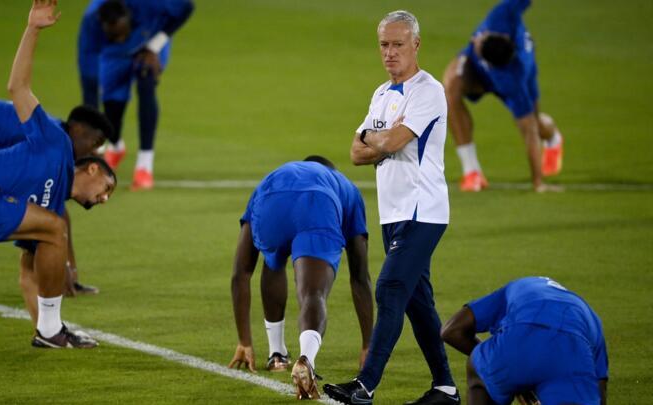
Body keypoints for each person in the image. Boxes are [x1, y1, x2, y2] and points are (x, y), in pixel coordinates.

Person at [0, 0, 117, 348]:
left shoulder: (47, 205)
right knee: (55, 227)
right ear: (92, 167)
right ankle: (51, 331)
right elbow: (18, 88)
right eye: (107, 187)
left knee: (51, 229)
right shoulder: (55, 141)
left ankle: (48, 332)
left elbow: (28, 274)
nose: (105, 198)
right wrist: (33, 29)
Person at [324, 11, 460, 405]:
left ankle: (365, 385)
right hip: (393, 212)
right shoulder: (381, 94)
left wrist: (374, 137)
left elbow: (390, 143)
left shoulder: (428, 91)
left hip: (424, 210)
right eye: (384, 44)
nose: (389, 52)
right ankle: (446, 389)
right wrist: (376, 138)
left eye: (398, 44)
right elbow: (356, 153)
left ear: (416, 45)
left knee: (389, 287)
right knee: (419, 305)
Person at [0, 99, 113, 296]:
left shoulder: (52, 139)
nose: (93, 153)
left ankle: (65, 276)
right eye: (95, 144)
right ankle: (61, 285)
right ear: (77, 129)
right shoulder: (52, 137)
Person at [228, 156, 373, 400]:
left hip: (271, 198)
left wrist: (244, 341)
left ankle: (277, 355)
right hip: (318, 204)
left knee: (273, 261)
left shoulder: (273, 177)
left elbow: (240, 273)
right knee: (312, 293)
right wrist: (369, 345)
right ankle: (307, 359)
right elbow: (360, 277)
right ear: (330, 169)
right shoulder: (344, 185)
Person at [442, 0, 564, 192]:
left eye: (479, 44)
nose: (476, 40)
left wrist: (538, 183)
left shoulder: (514, 81)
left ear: (490, 64)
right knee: (450, 87)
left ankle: (553, 138)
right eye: (481, 39)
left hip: (519, 82)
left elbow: (529, 133)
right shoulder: (504, 14)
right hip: (473, 70)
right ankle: (472, 172)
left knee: (535, 125)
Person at [78, 0, 194, 190]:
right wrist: (94, 145)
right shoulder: (91, 24)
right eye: (113, 34)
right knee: (112, 108)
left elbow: (186, 8)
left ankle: (144, 166)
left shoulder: (150, 4)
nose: (121, 38)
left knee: (146, 79)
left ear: (129, 16)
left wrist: (155, 46)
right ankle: (115, 147)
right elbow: (90, 88)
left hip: (149, 39)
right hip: (114, 54)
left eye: (122, 32)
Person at [440, 277, 608, 405]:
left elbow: (451, 331)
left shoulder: (516, 288)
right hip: (570, 355)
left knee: (477, 365)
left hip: (513, 350)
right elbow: (600, 388)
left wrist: (512, 368)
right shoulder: (590, 315)